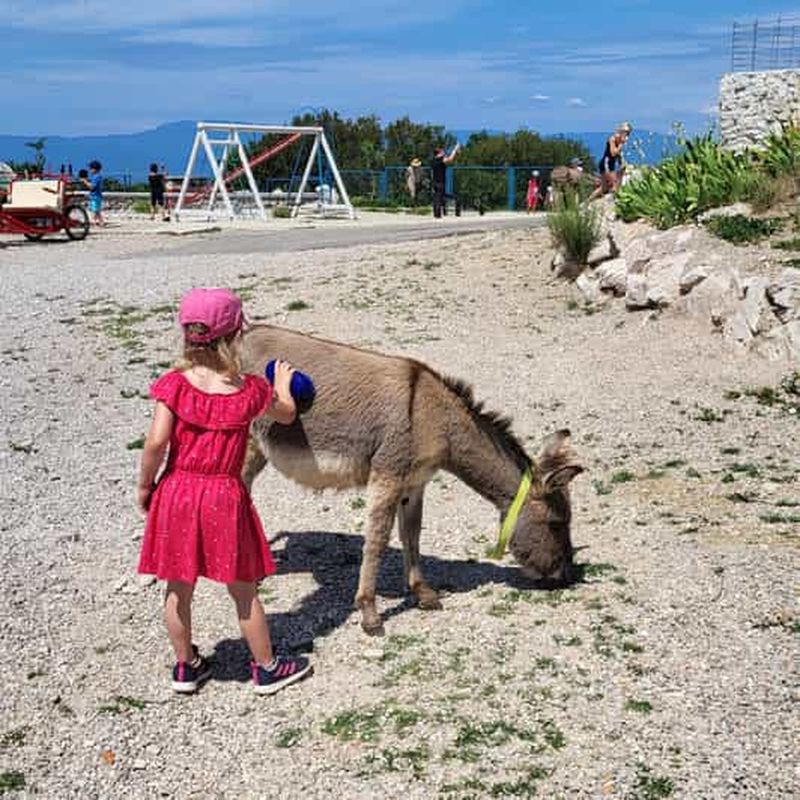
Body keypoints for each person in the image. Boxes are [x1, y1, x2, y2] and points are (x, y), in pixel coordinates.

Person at [136, 288, 312, 695]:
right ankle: (267, 668)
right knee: (243, 588)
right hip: (223, 495)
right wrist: (283, 385)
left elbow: (155, 443)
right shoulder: (249, 390)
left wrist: (146, 485)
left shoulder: (173, 385)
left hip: (177, 489)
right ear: (235, 337)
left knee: (178, 586)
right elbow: (286, 414)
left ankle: (186, 667)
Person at [591, 122, 632, 199]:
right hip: (606, 164)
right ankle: (589, 202)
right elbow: (613, 153)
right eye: (626, 132)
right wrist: (621, 145)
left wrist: (622, 162)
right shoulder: (612, 139)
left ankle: (588, 202)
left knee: (605, 187)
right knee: (611, 185)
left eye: (628, 133)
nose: (627, 135)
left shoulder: (619, 140)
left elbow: (618, 154)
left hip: (611, 164)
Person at [431, 143, 460, 218]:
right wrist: (454, 150)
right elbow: (450, 160)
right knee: (440, 197)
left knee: (437, 197)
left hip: (435, 182)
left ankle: (437, 214)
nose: (444, 153)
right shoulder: (440, 160)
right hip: (440, 182)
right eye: (442, 152)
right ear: (439, 153)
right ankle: (439, 214)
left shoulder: (433, 161)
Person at [81, 160, 105, 226]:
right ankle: (101, 222)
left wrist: (85, 181)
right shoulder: (97, 176)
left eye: (91, 168)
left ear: (95, 169)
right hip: (96, 196)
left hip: (95, 196)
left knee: (94, 210)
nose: (90, 170)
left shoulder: (96, 177)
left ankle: (94, 222)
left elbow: (92, 187)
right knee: (97, 210)